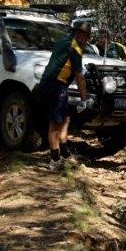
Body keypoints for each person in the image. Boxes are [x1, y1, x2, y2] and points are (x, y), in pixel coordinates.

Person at [38, 20, 91, 166]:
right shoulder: (74, 48)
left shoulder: (63, 41)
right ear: (80, 35)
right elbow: (79, 76)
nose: (86, 40)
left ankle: (65, 152)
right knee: (55, 122)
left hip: (52, 85)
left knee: (65, 119)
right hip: (56, 86)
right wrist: (84, 99)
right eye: (86, 37)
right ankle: (55, 159)